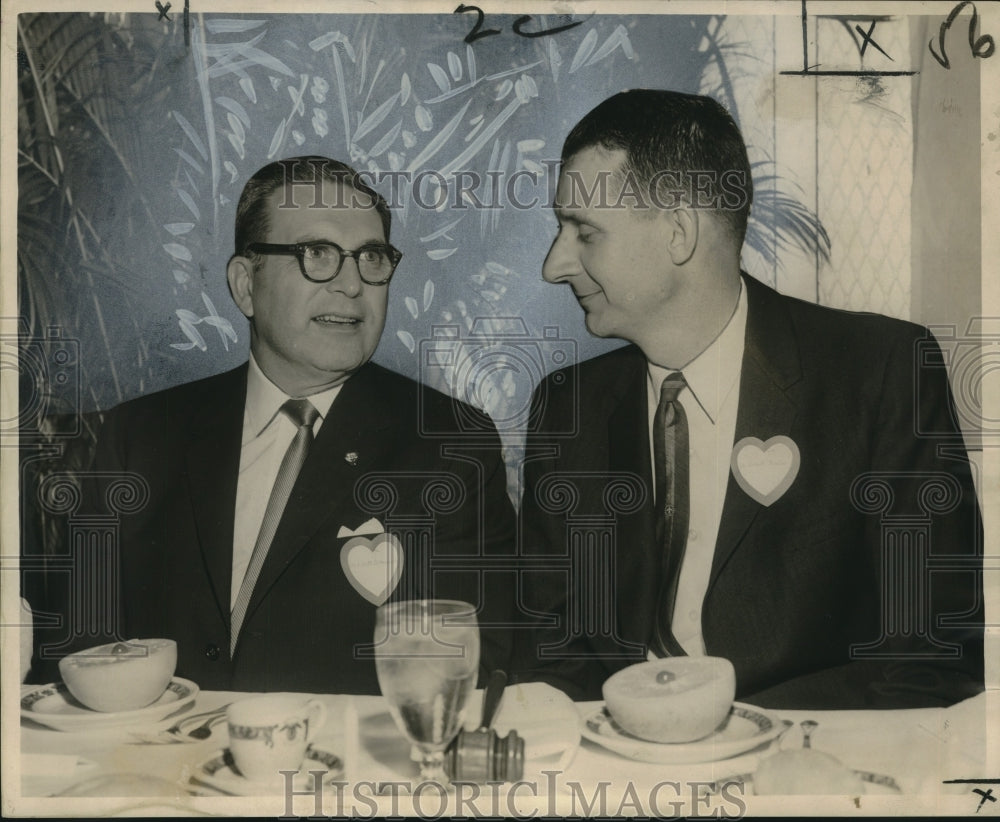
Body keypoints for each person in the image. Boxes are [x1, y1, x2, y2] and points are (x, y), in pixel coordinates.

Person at [512, 90, 984, 709]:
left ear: (679, 232)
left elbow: (934, 656)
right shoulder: (567, 406)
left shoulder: (880, 373)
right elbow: (552, 651)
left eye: (584, 232)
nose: (554, 265)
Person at [36, 156, 515, 694]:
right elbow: (74, 652)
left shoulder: (450, 443)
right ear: (245, 284)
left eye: (371, 258)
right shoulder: (142, 435)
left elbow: (474, 666)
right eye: (318, 255)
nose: (352, 286)